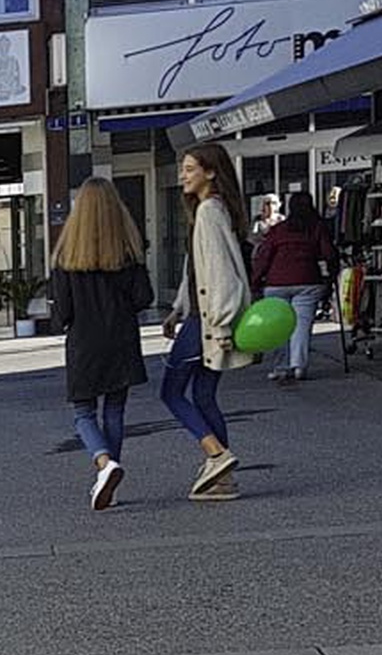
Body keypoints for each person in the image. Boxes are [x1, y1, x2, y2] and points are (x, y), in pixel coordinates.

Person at [48, 181, 156, 512]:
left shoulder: (66, 254)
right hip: (122, 338)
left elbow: (62, 312)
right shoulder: (128, 251)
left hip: (84, 341)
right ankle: (111, 474)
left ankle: (104, 463)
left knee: (83, 413)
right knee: (115, 410)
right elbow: (144, 298)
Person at [163, 142, 253, 500]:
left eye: (189, 169)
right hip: (202, 316)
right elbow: (197, 269)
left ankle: (217, 456)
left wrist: (221, 322)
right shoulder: (214, 210)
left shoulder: (209, 213)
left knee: (170, 392)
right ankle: (223, 480)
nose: (182, 176)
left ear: (211, 172)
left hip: (207, 321)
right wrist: (178, 307)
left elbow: (220, 274)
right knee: (203, 394)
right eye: (182, 169)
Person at [251, 186, 339, 384]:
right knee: (301, 324)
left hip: (276, 282)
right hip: (308, 280)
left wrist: (256, 281)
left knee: (279, 326)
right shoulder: (317, 227)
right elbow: (329, 253)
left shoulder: (279, 230)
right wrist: (332, 274)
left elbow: (264, 257)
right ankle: (298, 365)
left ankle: (281, 367)